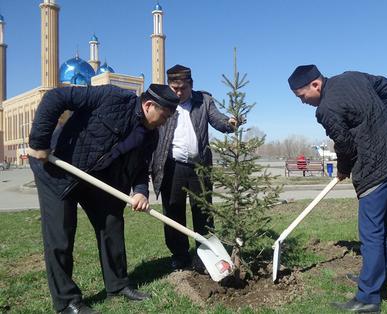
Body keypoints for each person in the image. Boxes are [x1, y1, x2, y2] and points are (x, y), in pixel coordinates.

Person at [28, 84, 179, 314]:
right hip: (57, 170)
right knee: (61, 236)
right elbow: (55, 96)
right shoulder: (112, 97)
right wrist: (40, 141)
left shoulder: (151, 135)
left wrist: (140, 191)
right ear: (149, 106)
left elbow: (141, 168)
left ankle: (117, 285)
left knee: (111, 223)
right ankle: (67, 302)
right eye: (165, 116)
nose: (165, 122)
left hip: (94, 177)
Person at [288, 65, 387, 313]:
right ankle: (377, 275)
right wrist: (380, 122)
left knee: (371, 231)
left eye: (302, 97)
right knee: (384, 222)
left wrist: (344, 168)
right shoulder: (352, 77)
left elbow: (345, 145)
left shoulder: (326, 109)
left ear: (316, 85)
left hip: (376, 166)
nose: (303, 103)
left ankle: (368, 298)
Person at [151, 64, 238, 271]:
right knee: (173, 212)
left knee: (203, 213)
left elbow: (219, 120)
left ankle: (205, 256)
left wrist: (231, 122)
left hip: (199, 168)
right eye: (174, 88)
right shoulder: (162, 102)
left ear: (191, 85)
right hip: (172, 168)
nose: (178, 92)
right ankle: (179, 255)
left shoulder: (203, 101)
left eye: (183, 88)